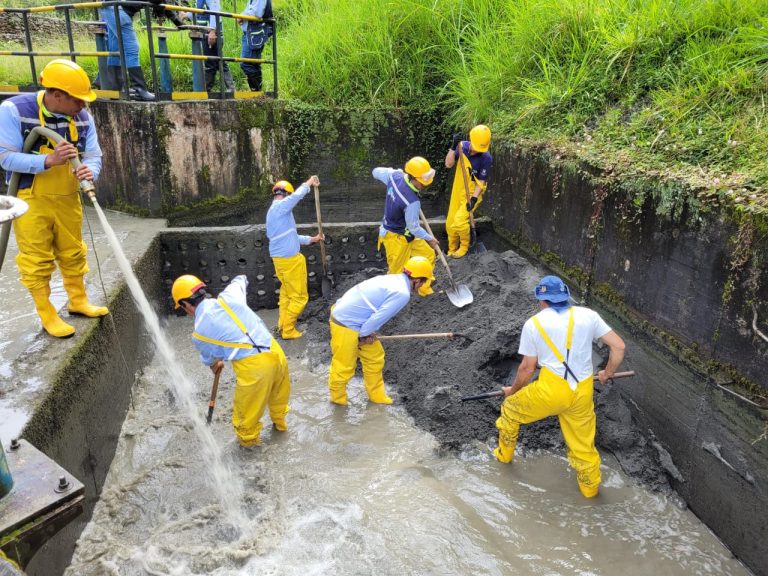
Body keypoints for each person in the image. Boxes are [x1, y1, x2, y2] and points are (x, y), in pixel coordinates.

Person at [0, 59, 108, 338]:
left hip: (68, 194)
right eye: (78, 100)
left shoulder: (83, 117)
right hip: (29, 197)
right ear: (57, 95)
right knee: (37, 258)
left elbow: (94, 155)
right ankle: (47, 312)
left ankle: (78, 300)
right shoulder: (14, 110)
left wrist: (89, 173)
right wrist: (48, 160)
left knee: (73, 250)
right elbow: (4, 158)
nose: (83, 106)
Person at [494, 275, 626, 498]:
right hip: (583, 391)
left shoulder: (534, 324)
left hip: (550, 390)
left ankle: (503, 457)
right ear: (565, 296)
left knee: (510, 410)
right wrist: (607, 373)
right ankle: (590, 493)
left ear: (542, 300)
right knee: (583, 449)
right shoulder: (588, 315)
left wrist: (512, 391)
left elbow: (527, 368)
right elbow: (619, 346)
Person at [172, 274, 291, 447]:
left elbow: (212, 361)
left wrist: (215, 365)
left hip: (256, 369)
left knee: (245, 422)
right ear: (203, 292)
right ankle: (281, 429)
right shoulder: (229, 296)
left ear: (185, 304)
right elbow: (241, 278)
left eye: (182, 307)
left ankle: (249, 455)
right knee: (278, 401)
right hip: (276, 352)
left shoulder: (199, 334)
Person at [328, 256, 435, 406]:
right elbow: (378, 318)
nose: (422, 285)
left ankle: (376, 396)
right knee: (344, 366)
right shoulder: (402, 293)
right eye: (423, 281)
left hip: (354, 318)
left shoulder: (394, 279)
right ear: (416, 280)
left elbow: (373, 310)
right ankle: (338, 401)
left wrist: (366, 333)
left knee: (374, 358)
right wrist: (364, 335)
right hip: (346, 324)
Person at [266, 175, 323, 340]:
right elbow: (297, 197)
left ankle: (282, 325)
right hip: (289, 262)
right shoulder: (279, 207)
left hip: (282, 260)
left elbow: (290, 235)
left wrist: (311, 239)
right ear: (285, 194)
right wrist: (308, 184)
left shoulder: (278, 213)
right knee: (299, 297)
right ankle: (289, 330)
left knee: (286, 295)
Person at [373, 157, 439, 297]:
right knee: (396, 273)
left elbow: (376, 172)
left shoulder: (395, 176)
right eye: (422, 181)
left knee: (428, 255)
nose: (425, 184)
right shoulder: (412, 202)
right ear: (413, 177)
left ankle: (423, 288)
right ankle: (391, 299)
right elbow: (414, 227)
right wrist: (429, 238)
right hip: (395, 236)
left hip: (408, 232)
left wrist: (394, 173)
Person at [101, 0, 186, 100]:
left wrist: (176, 21)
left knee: (115, 48)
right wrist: (175, 19)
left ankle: (115, 89)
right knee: (132, 48)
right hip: (118, 10)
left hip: (110, 8)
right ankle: (139, 90)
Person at [444, 124, 493, 258]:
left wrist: (474, 198)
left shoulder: (486, 158)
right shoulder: (461, 147)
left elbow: (481, 182)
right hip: (458, 188)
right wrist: (453, 146)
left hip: (472, 192)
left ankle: (464, 246)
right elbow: (448, 164)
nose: (478, 151)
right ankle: (451, 249)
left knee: (460, 220)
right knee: (450, 223)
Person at [197, 0, 235, 94]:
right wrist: (186, 15)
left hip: (211, 35)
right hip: (207, 34)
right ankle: (230, 87)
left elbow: (215, 10)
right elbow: (198, 11)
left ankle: (206, 90)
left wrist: (213, 31)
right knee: (219, 61)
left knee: (211, 63)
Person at [238, 0, 273, 92]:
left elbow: (256, 13)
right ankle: (257, 91)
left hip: (254, 33)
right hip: (252, 32)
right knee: (254, 63)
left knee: (246, 63)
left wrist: (241, 16)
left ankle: (256, 91)